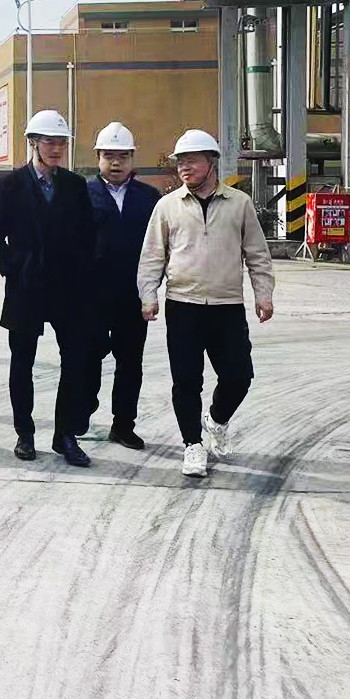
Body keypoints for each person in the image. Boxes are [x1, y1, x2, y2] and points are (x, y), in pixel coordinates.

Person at [137, 129, 275, 478]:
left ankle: (216, 419)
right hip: (183, 305)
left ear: (212, 162)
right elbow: (152, 256)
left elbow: (257, 254)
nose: (184, 167)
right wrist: (148, 294)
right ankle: (192, 445)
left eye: (192, 161)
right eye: (180, 162)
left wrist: (263, 293)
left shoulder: (239, 204)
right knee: (186, 380)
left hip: (227, 305)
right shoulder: (167, 206)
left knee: (239, 376)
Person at [0, 109, 95, 466]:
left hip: (68, 289)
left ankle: (65, 436)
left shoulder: (75, 186)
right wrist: (14, 269)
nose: (57, 149)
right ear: (33, 143)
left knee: (74, 361)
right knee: (22, 364)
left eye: (62, 142)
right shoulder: (10, 185)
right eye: (50, 142)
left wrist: (80, 271)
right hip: (26, 289)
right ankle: (25, 433)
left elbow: (88, 235)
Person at [82, 122, 162, 450]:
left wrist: (151, 290)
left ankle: (123, 425)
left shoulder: (150, 198)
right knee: (88, 356)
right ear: (98, 158)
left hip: (133, 296)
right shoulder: (82, 194)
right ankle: (83, 408)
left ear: (132, 159)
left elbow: (160, 247)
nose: (116, 163)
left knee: (130, 363)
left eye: (123, 156)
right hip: (91, 296)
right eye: (109, 156)